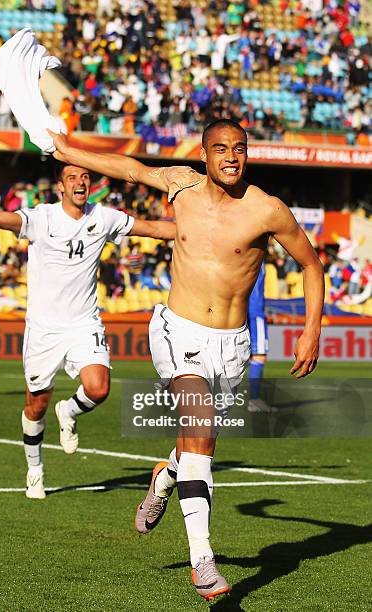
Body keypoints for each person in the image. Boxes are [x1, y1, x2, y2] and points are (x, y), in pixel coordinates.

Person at [47, 119, 324, 602]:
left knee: (198, 446)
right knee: (199, 421)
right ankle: (203, 562)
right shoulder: (181, 184)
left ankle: (165, 476)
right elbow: (127, 169)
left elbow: (310, 264)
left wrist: (311, 328)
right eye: (221, 149)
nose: (231, 157)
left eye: (239, 149)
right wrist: (68, 148)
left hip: (232, 345)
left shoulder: (268, 209)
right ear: (204, 153)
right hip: (179, 330)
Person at [0, 165, 175, 500]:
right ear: (61, 187)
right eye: (72, 178)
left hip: (84, 322)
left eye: (84, 177)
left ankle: (70, 411)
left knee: (99, 387)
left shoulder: (104, 217)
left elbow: (151, 228)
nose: (80, 182)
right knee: (36, 405)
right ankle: (35, 469)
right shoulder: (41, 218)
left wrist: (199, 229)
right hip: (44, 329)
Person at [247, 261, 277, 413]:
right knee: (259, 356)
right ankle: (254, 399)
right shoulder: (257, 256)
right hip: (255, 313)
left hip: (241, 311)